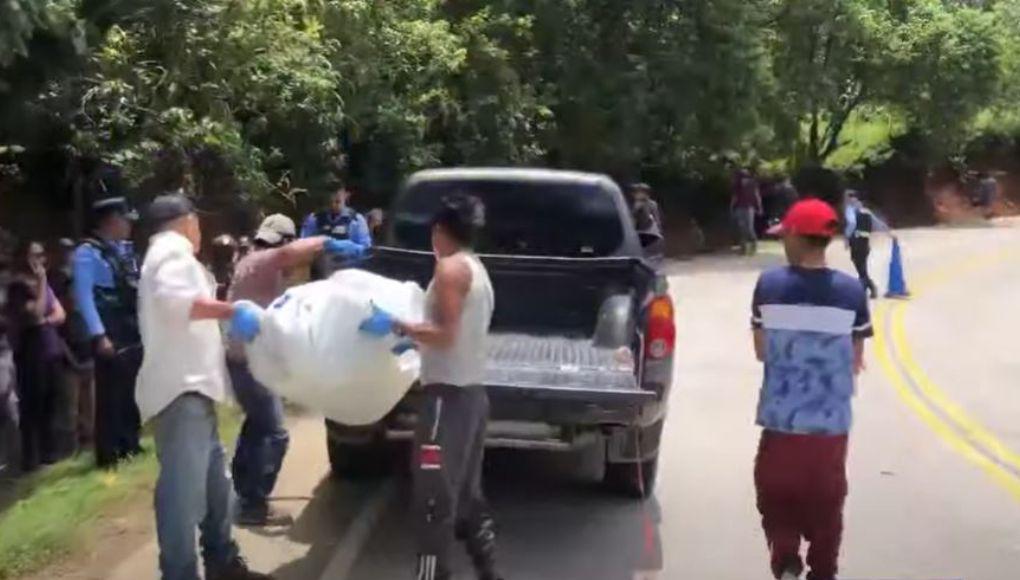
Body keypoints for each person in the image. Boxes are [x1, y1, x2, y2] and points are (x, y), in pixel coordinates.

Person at [359, 194, 501, 580]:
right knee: (467, 496)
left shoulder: (450, 269)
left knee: (432, 498)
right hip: (472, 396)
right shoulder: (477, 268)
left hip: (446, 403)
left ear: (440, 230)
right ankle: (489, 571)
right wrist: (417, 339)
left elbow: (446, 334)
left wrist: (399, 325)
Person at [136, 194, 273, 580]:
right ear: (186, 221)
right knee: (183, 496)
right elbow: (176, 302)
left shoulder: (170, 255)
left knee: (217, 492)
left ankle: (222, 561)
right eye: (197, 222)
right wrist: (233, 310)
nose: (200, 230)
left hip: (195, 393)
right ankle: (179, 573)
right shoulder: (171, 252)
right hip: (183, 393)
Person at [753, 185, 872, 580]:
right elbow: (856, 358)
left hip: (781, 421)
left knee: (774, 494)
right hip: (830, 425)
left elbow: (761, 350)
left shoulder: (768, 286)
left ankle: (785, 556)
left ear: (795, 237)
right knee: (827, 503)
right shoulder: (853, 292)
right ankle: (823, 571)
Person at [226, 214, 364, 526]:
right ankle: (253, 504)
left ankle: (241, 491)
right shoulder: (265, 260)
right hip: (249, 363)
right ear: (284, 241)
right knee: (275, 433)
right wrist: (330, 242)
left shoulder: (250, 261)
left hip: (245, 360)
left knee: (257, 425)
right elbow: (291, 254)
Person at [73, 197, 144, 468]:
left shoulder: (120, 251)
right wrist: (99, 334)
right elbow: (84, 297)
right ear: (111, 220)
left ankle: (130, 442)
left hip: (126, 325)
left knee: (129, 388)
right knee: (109, 392)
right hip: (108, 326)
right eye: (125, 220)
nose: (128, 226)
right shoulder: (86, 253)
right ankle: (109, 451)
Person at [5, 240, 67, 471]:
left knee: (51, 401)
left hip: (51, 349)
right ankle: (32, 459)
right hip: (31, 353)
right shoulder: (18, 287)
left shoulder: (43, 284)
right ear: (23, 258)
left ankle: (50, 455)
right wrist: (41, 282)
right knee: (34, 405)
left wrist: (46, 320)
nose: (39, 260)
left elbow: (60, 313)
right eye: (34, 255)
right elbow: (35, 314)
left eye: (41, 255)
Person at [300, 182, 372, 279]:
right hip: (320, 274)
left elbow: (366, 250)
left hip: (347, 275)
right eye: (330, 202)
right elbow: (302, 245)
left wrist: (342, 246)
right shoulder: (315, 218)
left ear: (345, 196)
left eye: (338, 201)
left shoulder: (356, 220)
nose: (334, 205)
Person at [844, 190, 891, 299]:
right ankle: (865, 288)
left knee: (860, 267)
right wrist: (888, 232)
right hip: (865, 241)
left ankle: (870, 287)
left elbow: (851, 223)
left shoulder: (850, 209)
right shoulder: (866, 211)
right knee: (862, 266)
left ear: (850, 198)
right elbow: (878, 223)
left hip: (856, 241)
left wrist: (846, 238)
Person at [731, 169, 763, 255]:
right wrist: (732, 206)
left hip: (748, 207)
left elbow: (757, 196)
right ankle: (744, 248)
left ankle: (753, 244)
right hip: (741, 207)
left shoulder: (752, 183)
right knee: (742, 227)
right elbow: (735, 196)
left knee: (748, 227)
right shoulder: (737, 185)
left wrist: (759, 207)